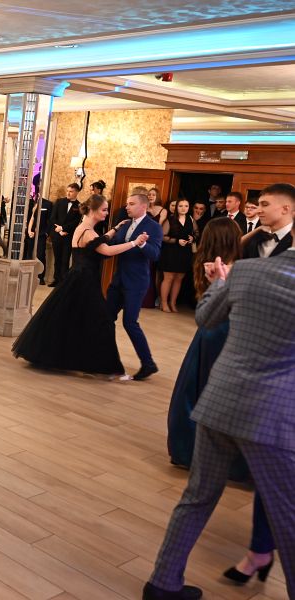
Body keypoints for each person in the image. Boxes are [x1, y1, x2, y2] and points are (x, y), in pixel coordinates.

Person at [144, 218, 295, 600]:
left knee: (196, 498)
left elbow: (205, 318)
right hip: (273, 418)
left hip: (220, 403)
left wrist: (221, 282)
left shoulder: (245, 271)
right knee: (288, 518)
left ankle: (162, 584)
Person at [13, 195, 146, 376]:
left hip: (79, 277)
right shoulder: (88, 232)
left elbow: (99, 241)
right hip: (85, 281)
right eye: (104, 210)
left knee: (73, 319)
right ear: (93, 210)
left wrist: (115, 229)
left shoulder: (83, 228)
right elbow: (106, 250)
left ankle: (76, 359)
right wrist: (134, 243)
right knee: (101, 322)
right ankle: (103, 366)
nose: (107, 213)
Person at [166, 218, 246, 477]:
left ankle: (187, 448)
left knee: (193, 388)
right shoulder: (235, 268)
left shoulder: (210, 263)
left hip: (207, 333)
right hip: (227, 333)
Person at [107, 192, 163, 380]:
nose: (127, 207)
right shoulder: (125, 224)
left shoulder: (153, 227)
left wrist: (142, 244)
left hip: (136, 282)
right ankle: (108, 361)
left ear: (143, 206)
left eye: (131, 204)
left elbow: (155, 254)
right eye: (127, 204)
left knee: (130, 323)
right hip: (118, 280)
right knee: (106, 318)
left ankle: (148, 364)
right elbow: (114, 244)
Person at [159, 198, 195, 313]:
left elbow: (196, 233)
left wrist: (192, 238)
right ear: (176, 207)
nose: (183, 208)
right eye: (180, 206)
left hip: (185, 252)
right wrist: (176, 241)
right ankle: (164, 303)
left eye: (186, 206)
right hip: (171, 251)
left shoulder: (190, 219)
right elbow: (162, 236)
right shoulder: (170, 219)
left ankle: (173, 303)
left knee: (179, 278)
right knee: (168, 278)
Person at [242, 184, 293, 258]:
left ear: (285, 209)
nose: (258, 211)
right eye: (259, 205)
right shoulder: (257, 237)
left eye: (265, 205)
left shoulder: (292, 239)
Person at [49, 183, 82, 286]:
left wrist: (63, 228)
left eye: (71, 191)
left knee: (65, 260)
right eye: (67, 191)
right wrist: (59, 230)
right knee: (57, 259)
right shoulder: (59, 202)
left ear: (77, 192)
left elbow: (76, 222)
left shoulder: (79, 206)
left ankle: (63, 282)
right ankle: (56, 279)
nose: (68, 193)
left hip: (68, 236)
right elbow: (53, 218)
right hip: (57, 235)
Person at [25, 194, 52, 285]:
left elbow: (50, 220)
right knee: (29, 254)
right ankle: (28, 275)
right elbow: (31, 218)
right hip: (31, 233)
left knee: (40, 255)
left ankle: (40, 277)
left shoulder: (48, 204)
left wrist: (46, 233)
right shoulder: (30, 203)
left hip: (41, 234)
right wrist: (29, 231)